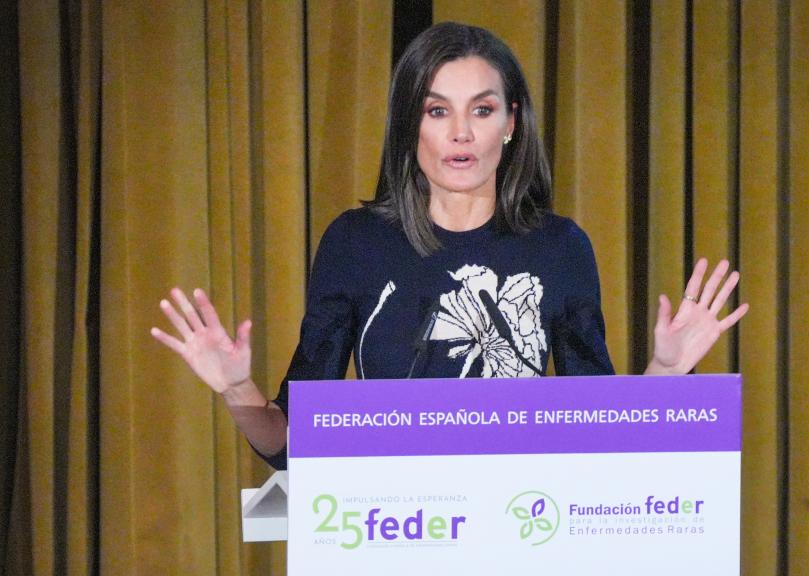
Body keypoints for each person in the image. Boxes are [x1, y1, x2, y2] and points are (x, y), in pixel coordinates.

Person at [150, 23, 748, 470]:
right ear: (411, 124)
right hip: (394, 536)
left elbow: (597, 437)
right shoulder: (355, 244)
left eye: (481, 110)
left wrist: (667, 370)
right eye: (438, 111)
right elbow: (291, 445)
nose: (460, 133)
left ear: (511, 123)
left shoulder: (559, 247)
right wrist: (235, 387)